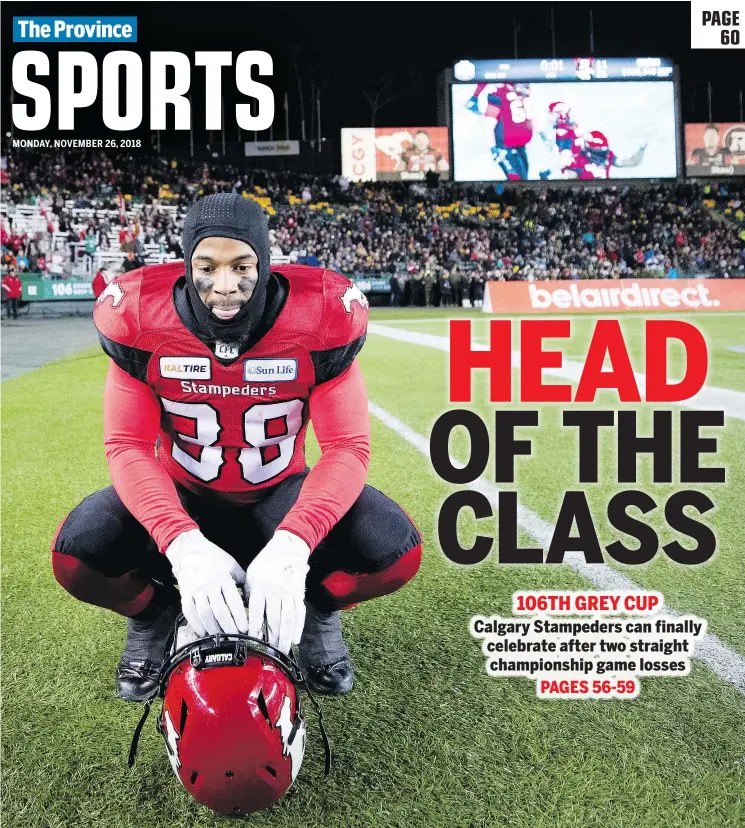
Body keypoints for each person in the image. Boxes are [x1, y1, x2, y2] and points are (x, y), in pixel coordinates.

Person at [51, 194, 422, 703]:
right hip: (183, 497)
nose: (225, 287)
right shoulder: (141, 317)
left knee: (394, 552)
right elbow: (127, 445)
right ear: (187, 265)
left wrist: (295, 545)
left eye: (242, 266)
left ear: (264, 261)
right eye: (207, 267)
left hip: (278, 497)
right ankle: (154, 613)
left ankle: (316, 610)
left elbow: (346, 446)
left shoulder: (318, 319)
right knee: (77, 555)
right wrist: (180, 543)